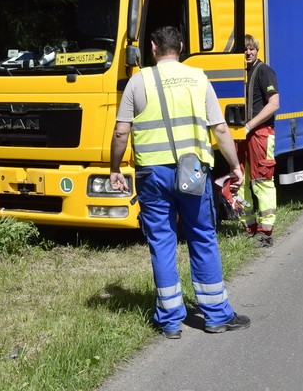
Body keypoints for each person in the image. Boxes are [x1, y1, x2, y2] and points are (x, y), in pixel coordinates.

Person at [110, 26, 250, 338]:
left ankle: (170, 321)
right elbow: (221, 129)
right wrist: (235, 166)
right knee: (202, 237)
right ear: (182, 47)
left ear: (153, 48)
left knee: (162, 242)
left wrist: (115, 167)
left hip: (153, 176)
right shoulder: (198, 78)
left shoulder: (138, 80)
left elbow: (121, 132)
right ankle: (216, 316)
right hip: (192, 174)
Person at [237, 34, 280, 247]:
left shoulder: (264, 71)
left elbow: (273, 104)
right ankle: (249, 227)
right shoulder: (239, 73)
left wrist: (249, 125)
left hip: (260, 133)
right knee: (242, 182)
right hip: (242, 134)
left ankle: (266, 232)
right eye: (245, 49)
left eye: (251, 49)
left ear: (257, 50)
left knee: (262, 181)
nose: (248, 52)